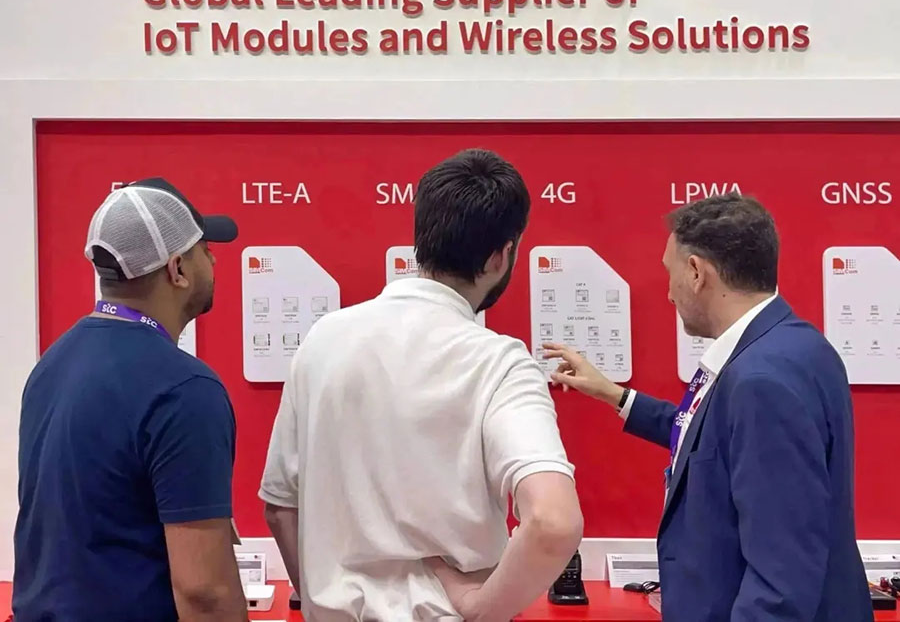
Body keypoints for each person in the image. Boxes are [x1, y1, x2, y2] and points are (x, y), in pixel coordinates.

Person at [260, 148, 583, 621]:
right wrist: (481, 609)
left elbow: (279, 506)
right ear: (502, 255)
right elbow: (553, 521)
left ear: (422, 238)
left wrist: (316, 598)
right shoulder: (498, 363)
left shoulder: (323, 338)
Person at [544, 193, 873, 622]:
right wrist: (614, 394)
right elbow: (712, 440)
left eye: (671, 273)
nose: (669, 293)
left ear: (697, 272)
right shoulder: (793, 345)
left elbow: (781, 578)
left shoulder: (761, 381)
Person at [13, 178, 248, 622]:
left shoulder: (52, 365)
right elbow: (204, 593)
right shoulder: (183, 389)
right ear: (177, 269)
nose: (214, 259)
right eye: (204, 250)